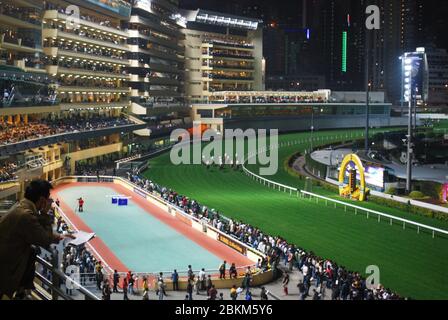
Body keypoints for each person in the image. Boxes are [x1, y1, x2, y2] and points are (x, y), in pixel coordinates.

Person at [0, 179, 74, 300]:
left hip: (4, 262)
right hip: (6, 271)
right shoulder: (26, 216)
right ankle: (20, 292)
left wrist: (59, 236)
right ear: (42, 200)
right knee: (33, 251)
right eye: (48, 200)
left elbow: (36, 230)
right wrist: (45, 213)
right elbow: (44, 239)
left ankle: (21, 291)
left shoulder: (20, 207)